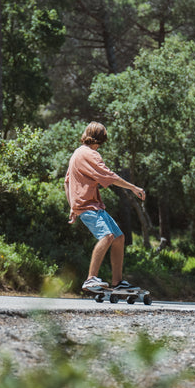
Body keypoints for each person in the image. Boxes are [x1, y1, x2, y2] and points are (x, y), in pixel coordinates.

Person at [64, 121, 146, 291]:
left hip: (90, 205)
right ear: (102, 138)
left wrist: (72, 206)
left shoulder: (77, 153)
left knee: (118, 237)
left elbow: (67, 181)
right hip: (88, 205)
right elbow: (110, 176)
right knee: (107, 236)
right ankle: (90, 278)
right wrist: (133, 187)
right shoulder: (91, 155)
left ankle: (117, 282)